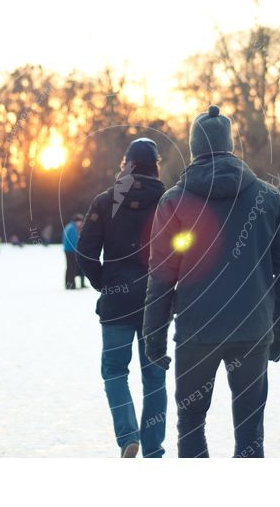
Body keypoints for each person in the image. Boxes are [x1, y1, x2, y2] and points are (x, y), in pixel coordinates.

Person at [143, 105, 280, 458]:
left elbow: (161, 277)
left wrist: (154, 339)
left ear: (195, 148)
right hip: (252, 332)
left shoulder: (174, 201)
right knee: (250, 433)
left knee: (191, 428)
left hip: (197, 334)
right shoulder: (267, 197)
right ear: (230, 145)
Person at [77, 138, 168, 458]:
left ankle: (129, 435)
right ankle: (154, 448)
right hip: (156, 301)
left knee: (115, 371)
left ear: (128, 164)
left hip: (116, 303)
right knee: (154, 375)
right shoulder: (168, 200)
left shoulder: (105, 201)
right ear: (155, 165)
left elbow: (85, 252)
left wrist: (106, 283)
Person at [62, 214, 84, 289]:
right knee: (72, 267)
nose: (81, 223)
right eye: (80, 221)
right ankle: (71, 285)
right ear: (76, 221)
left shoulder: (70, 226)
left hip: (68, 250)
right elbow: (74, 241)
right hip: (71, 250)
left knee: (70, 267)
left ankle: (69, 284)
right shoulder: (72, 228)